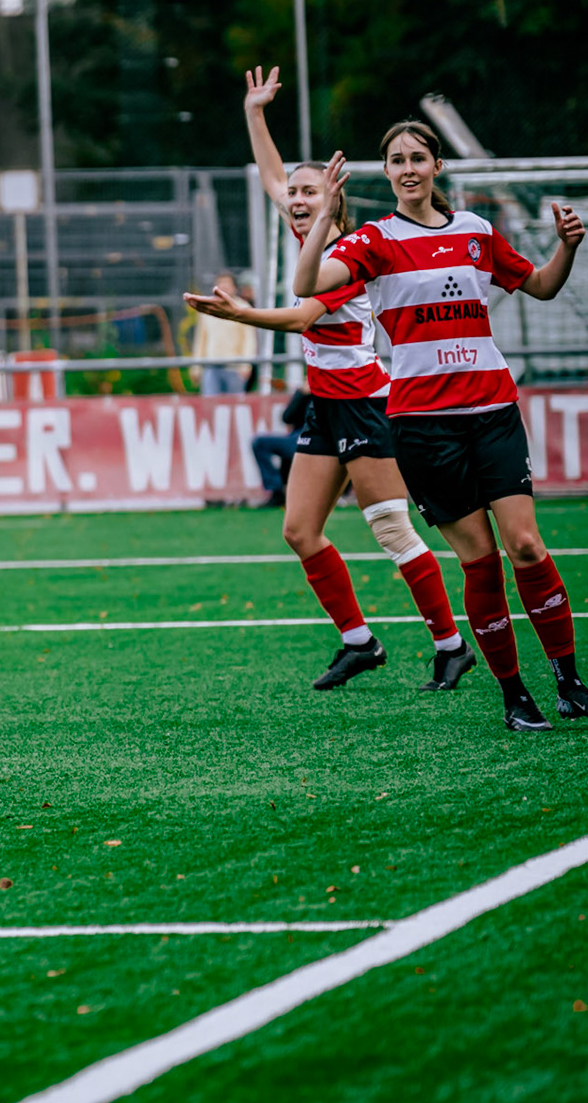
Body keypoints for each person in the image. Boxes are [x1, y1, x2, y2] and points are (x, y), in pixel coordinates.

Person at [294, 124, 588, 731]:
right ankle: (513, 695)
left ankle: (570, 684)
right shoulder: (373, 240)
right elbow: (305, 286)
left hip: (493, 410)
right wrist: (323, 218)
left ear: (437, 165)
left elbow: (543, 287)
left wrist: (567, 247)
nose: (407, 168)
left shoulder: (475, 231)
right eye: (395, 160)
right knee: (481, 563)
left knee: (526, 545)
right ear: (387, 172)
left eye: (417, 157)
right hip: (422, 425)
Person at [183, 66, 474, 693]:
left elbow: (300, 316)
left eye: (308, 191)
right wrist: (254, 112)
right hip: (326, 405)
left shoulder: (341, 251)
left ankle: (451, 646)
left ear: (332, 199)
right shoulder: (303, 228)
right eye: (293, 190)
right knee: (299, 530)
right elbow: (269, 173)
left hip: (368, 404)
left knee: (392, 529)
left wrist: (239, 314)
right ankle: (359, 642)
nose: (294, 195)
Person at [189, 272, 255, 394]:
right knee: (210, 406)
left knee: (235, 406)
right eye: (221, 283)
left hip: (234, 367)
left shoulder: (243, 307)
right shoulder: (208, 308)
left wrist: (246, 365)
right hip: (211, 366)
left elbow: (249, 339)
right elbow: (201, 339)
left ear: (234, 287)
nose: (224, 287)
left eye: (227, 283)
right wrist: (196, 367)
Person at [250, 388, 310, 508]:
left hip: (315, 438)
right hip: (297, 438)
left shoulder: (328, 391)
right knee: (260, 443)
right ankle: (276, 490)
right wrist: (301, 394)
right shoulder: (305, 393)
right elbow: (287, 417)